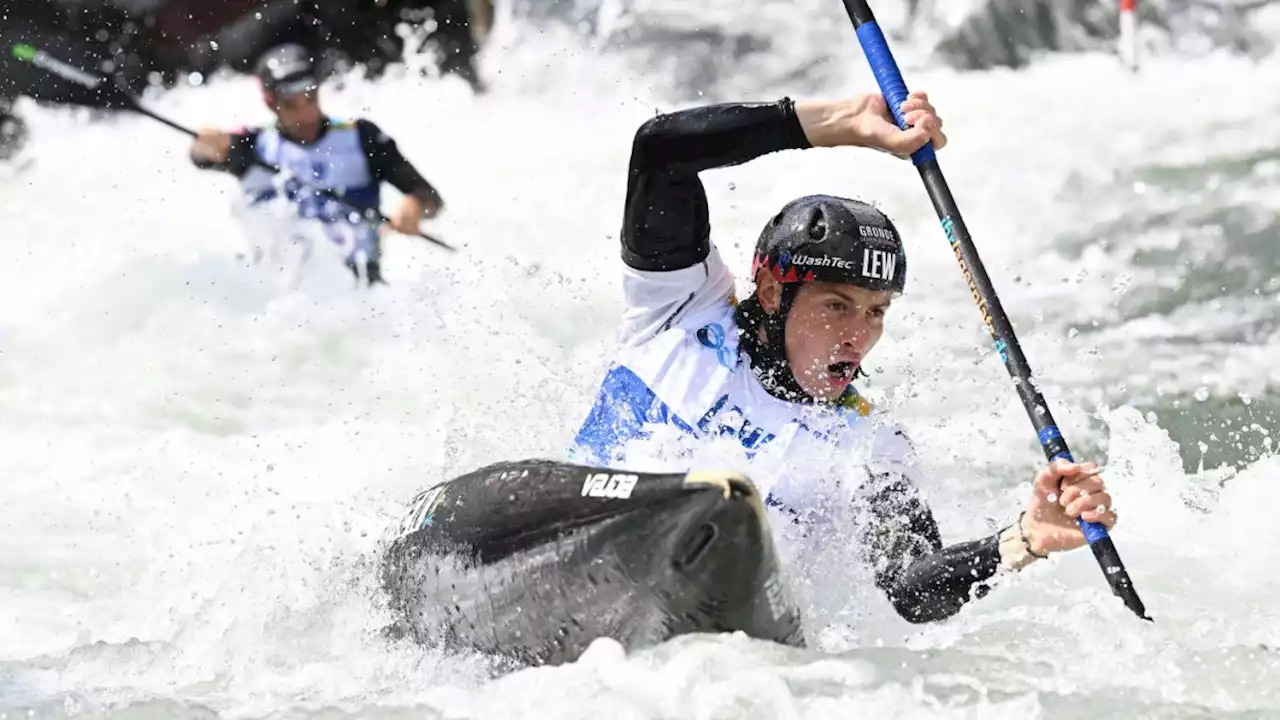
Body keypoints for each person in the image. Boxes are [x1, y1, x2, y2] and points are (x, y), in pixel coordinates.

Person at [568, 91, 1120, 623]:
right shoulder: (681, 310)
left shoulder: (869, 450)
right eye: (837, 306)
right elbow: (661, 151)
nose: (858, 334)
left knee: (729, 508)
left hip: (715, 610)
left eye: (876, 312)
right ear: (769, 293)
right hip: (580, 543)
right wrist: (841, 121)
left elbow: (911, 589)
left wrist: (1023, 539)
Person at [189, 43, 444, 285]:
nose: (305, 114)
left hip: (360, 283)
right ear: (270, 103)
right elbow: (200, 157)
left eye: (310, 98)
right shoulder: (252, 146)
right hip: (279, 290)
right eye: (291, 105)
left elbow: (430, 197)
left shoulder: (363, 137)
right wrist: (208, 144)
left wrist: (414, 206)